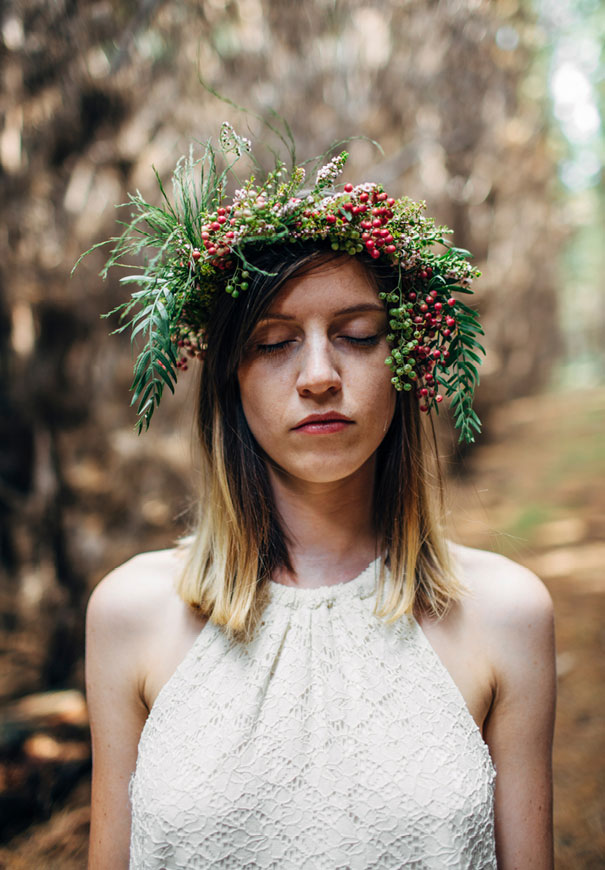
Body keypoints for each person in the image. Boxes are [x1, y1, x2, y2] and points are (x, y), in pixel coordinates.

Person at [84, 125, 556, 869]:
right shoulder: (131, 614)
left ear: (403, 367)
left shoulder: (505, 613)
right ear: (230, 383)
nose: (318, 375)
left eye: (358, 334)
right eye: (273, 343)